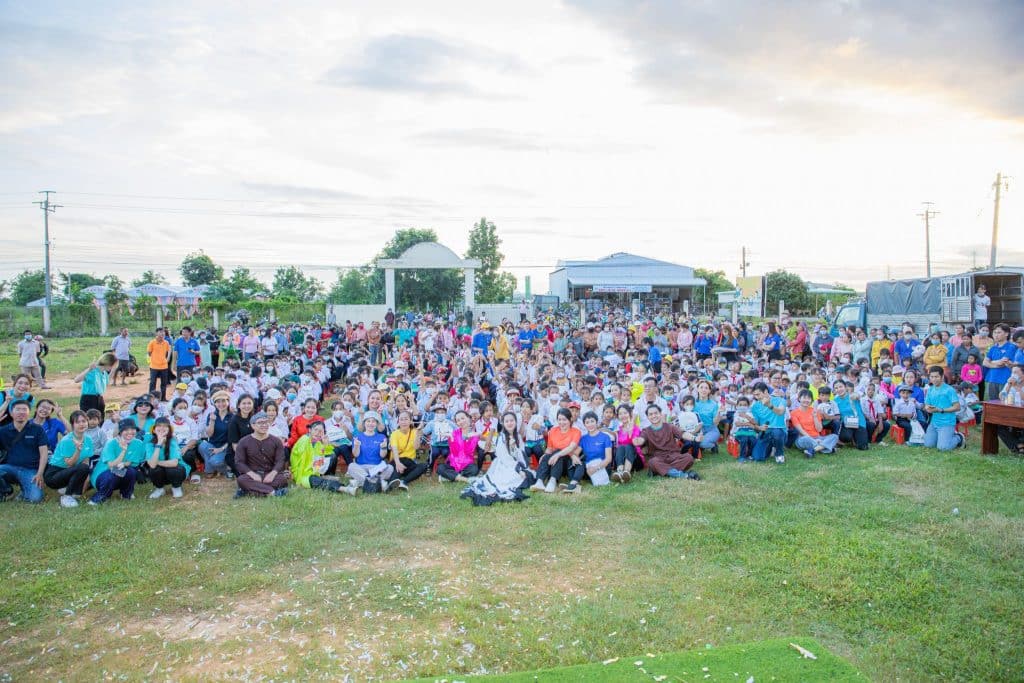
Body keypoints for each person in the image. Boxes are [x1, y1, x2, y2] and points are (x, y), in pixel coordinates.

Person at [460, 411, 531, 505]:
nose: (509, 423)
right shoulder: (501, 437)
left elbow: (521, 454)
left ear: (515, 422)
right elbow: (504, 458)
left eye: (512, 420)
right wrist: (518, 469)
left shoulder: (517, 436)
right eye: (507, 421)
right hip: (503, 465)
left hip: (515, 463)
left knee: (528, 476)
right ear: (503, 423)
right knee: (509, 480)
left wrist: (515, 450)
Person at [0, 400, 49, 503]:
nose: (21, 412)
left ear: (29, 412)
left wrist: (40, 474)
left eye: (24, 409)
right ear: (11, 412)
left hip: (30, 470)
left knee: (35, 499)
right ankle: (7, 490)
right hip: (10, 468)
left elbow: (44, 453)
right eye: (18, 409)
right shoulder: (3, 430)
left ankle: (24, 490)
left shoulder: (37, 429)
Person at [290, 420, 357, 495]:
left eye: (321, 431)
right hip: (302, 473)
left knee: (332, 455)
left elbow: (321, 460)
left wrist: (325, 445)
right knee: (315, 480)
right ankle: (345, 489)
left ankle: (327, 476)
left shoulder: (318, 443)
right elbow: (301, 463)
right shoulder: (304, 440)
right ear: (310, 430)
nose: (318, 433)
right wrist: (299, 480)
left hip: (313, 470)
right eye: (315, 430)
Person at [89, 419, 147, 505]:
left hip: (120, 472)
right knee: (114, 472)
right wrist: (123, 451)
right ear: (120, 432)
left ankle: (126, 494)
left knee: (131, 471)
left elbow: (133, 462)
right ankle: (98, 498)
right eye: (126, 430)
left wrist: (124, 464)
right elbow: (111, 465)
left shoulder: (138, 443)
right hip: (103, 474)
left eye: (132, 429)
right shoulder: (111, 444)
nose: (130, 432)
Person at [44, 409, 93, 507]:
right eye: (77, 422)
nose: (81, 424)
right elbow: (70, 463)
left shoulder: (88, 439)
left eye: (84, 421)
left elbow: (86, 460)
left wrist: (87, 478)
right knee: (83, 468)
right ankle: (67, 496)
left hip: (69, 471)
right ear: (72, 425)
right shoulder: (67, 440)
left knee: (91, 476)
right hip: (54, 474)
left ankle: (69, 489)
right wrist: (78, 450)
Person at [634, 405, 699, 479]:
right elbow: (641, 440)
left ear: (660, 414)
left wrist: (694, 438)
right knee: (653, 462)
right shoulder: (646, 431)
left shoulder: (670, 426)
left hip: (674, 457)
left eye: (656, 413)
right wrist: (638, 441)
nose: (654, 416)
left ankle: (661, 471)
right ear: (647, 417)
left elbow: (682, 434)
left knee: (689, 458)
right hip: (658, 458)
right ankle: (684, 475)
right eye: (650, 414)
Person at [234, 411, 290, 497]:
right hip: (252, 475)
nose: (264, 425)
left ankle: (249, 491)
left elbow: (280, 460)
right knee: (241, 479)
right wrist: (252, 474)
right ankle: (273, 493)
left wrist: (272, 474)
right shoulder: (243, 441)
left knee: (282, 480)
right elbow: (239, 462)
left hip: (270, 474)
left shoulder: (276, 441)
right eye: (260, 423)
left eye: (266, 422)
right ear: (253, 425)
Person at [530, 408, 583, 493]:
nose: (561, 422)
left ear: (570, 419)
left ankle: (552, 481)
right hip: (555, 460)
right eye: (559, 419)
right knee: (547, 455)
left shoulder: (576, 432)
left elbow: (571, 447)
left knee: (558, 452)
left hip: (568, 462)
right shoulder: (553, 431)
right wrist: (545, 455)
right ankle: (539, 482)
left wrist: (557, 455)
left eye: (564, 419)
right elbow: (550, 448)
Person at [144, 417, 189, 499]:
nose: (162, 428)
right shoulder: (149, 443)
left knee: (173, 468)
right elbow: (152, 466)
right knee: (154, 470)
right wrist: (158, 444)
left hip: (176, 471)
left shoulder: (172, 440)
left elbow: (174, 463)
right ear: (154, 430)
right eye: (159, 426)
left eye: (165, 426)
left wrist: (156, 462)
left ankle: (176, 488)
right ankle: (159, 489)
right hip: (161, 472)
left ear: (169, 430)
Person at [923, 366, 965, 451]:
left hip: (947, 422)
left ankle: (959, 437)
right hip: (934, 422)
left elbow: (957, 407)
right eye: (932, 377)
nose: (934, 379)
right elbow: (927, 405)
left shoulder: (949, 390)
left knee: (943, 448)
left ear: (942, 377)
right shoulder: (930, 390)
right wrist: (928, 408)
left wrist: (941, 410)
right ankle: (943, 437)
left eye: (936, 377)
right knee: (928, 445)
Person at [348, 412, 393, 491]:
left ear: (376, 424)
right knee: (351, 466)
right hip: (361, 467)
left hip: (377, 468)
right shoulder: (357, 437)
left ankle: (360, 482)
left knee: (390, 468)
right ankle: (378, 483)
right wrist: (356, 446)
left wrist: (383, 447)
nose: (370, 424)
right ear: (364, 423)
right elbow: (355, 454)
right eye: (368, 421)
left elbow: (383, 456)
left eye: (373, 421)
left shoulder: (381, 437)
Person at [387, 410, 428, 491]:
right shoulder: (394, 434)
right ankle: (391, 483)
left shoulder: (415, 432)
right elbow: (394, 449)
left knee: (423, 466)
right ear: (398, 422)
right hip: (397, 461)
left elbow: (416, 447)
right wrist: (398, 463)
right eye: (401, 419)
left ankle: (403, 482)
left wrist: (418, 435)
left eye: (406, 419)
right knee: (399, 466)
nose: (404, 422)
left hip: (410, 462)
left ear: (410, 421)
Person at [790, 390, 839, 457]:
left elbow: (819, 429)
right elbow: (800, 430)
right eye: (804, 398)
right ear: (799, 399)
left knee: (834, 436)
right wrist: (814, 440)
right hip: (803, 438)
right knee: (806, 439)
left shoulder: (814, 411)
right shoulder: (794, 413)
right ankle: (825, 447)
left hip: (817, 437)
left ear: (811, 400)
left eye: (809, 398)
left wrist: (815, 417)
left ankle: (813, 450)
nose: (806, 400)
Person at [579, 411, 613, 488]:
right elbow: (576, 453)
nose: (590, 424)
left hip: (603, 466)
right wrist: (574, 457)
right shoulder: (583, 438)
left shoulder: (605, 437)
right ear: (584, 425)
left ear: (596, 422)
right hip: (589, 468)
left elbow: (608, 459)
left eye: (592, 421)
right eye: (587, 422)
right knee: (580, 465)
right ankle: (574, 482)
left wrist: (596, 468)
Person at [982, 324, 1016, 400]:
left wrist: (991, 362)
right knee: (992, 404)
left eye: (999, 332)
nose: (996, 335)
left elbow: (1002, 363)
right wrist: (995, 363)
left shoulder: (1011, 347)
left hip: (1005, 379)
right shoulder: (993, 347)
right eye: (994, 332)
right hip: (991, 379)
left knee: (1005, 404)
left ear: (1006, 334)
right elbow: (984, 363)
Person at [146, 328, 172, 400]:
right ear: (156, 334)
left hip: (164, 366)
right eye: (160, 332)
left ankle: (163, 398)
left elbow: (169, 349)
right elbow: (149, 353)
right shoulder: (152, 342)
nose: (162, 334)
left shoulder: (166, 342)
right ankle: (150, 398)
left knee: (164, 383)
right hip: (154, 366)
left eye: (163, 332)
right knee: (152, 383)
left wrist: (168, 358)